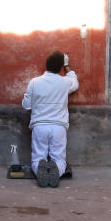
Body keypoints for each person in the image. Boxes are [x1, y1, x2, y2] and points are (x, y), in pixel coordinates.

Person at [23, 50, 79, 187]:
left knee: (37, 158)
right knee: (60, 160)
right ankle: (56, 171)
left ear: (46, 65)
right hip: (58, 126)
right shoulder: (65, 83)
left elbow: (26, 105)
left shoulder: (34, 82)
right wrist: (67, 66)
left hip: (39, 126)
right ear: (60, 67)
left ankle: (40, 171)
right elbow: (75, 82)